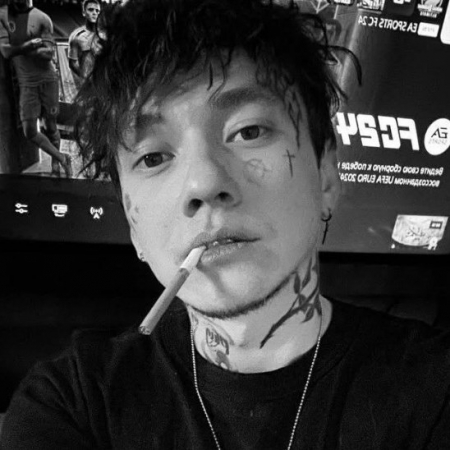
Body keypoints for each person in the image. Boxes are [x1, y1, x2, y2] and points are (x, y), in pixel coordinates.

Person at [1, 0, 450, 448]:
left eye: (249, 131)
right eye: (153, 157)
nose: (204, 183)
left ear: (326, 173)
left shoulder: (434, 389)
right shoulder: (74, 405)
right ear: (133, 228)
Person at [0, 0, 72, 177]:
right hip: (27, 83)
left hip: (47, 79)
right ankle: (62, 157)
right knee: (29, 131)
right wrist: (30, 45)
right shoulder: (3, 16)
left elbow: (48, 53)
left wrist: (20, 48)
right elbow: (5, 52)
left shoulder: (41, 18)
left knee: (51, 125)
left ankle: (56, 163)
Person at [68, 0, 101, 87]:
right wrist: (85, 77)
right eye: (91, 10)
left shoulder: (106, 35)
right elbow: (72, 63)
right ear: (84, 13)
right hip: (88, 85)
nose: (94, 13)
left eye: (97, 11)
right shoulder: (77, 36)